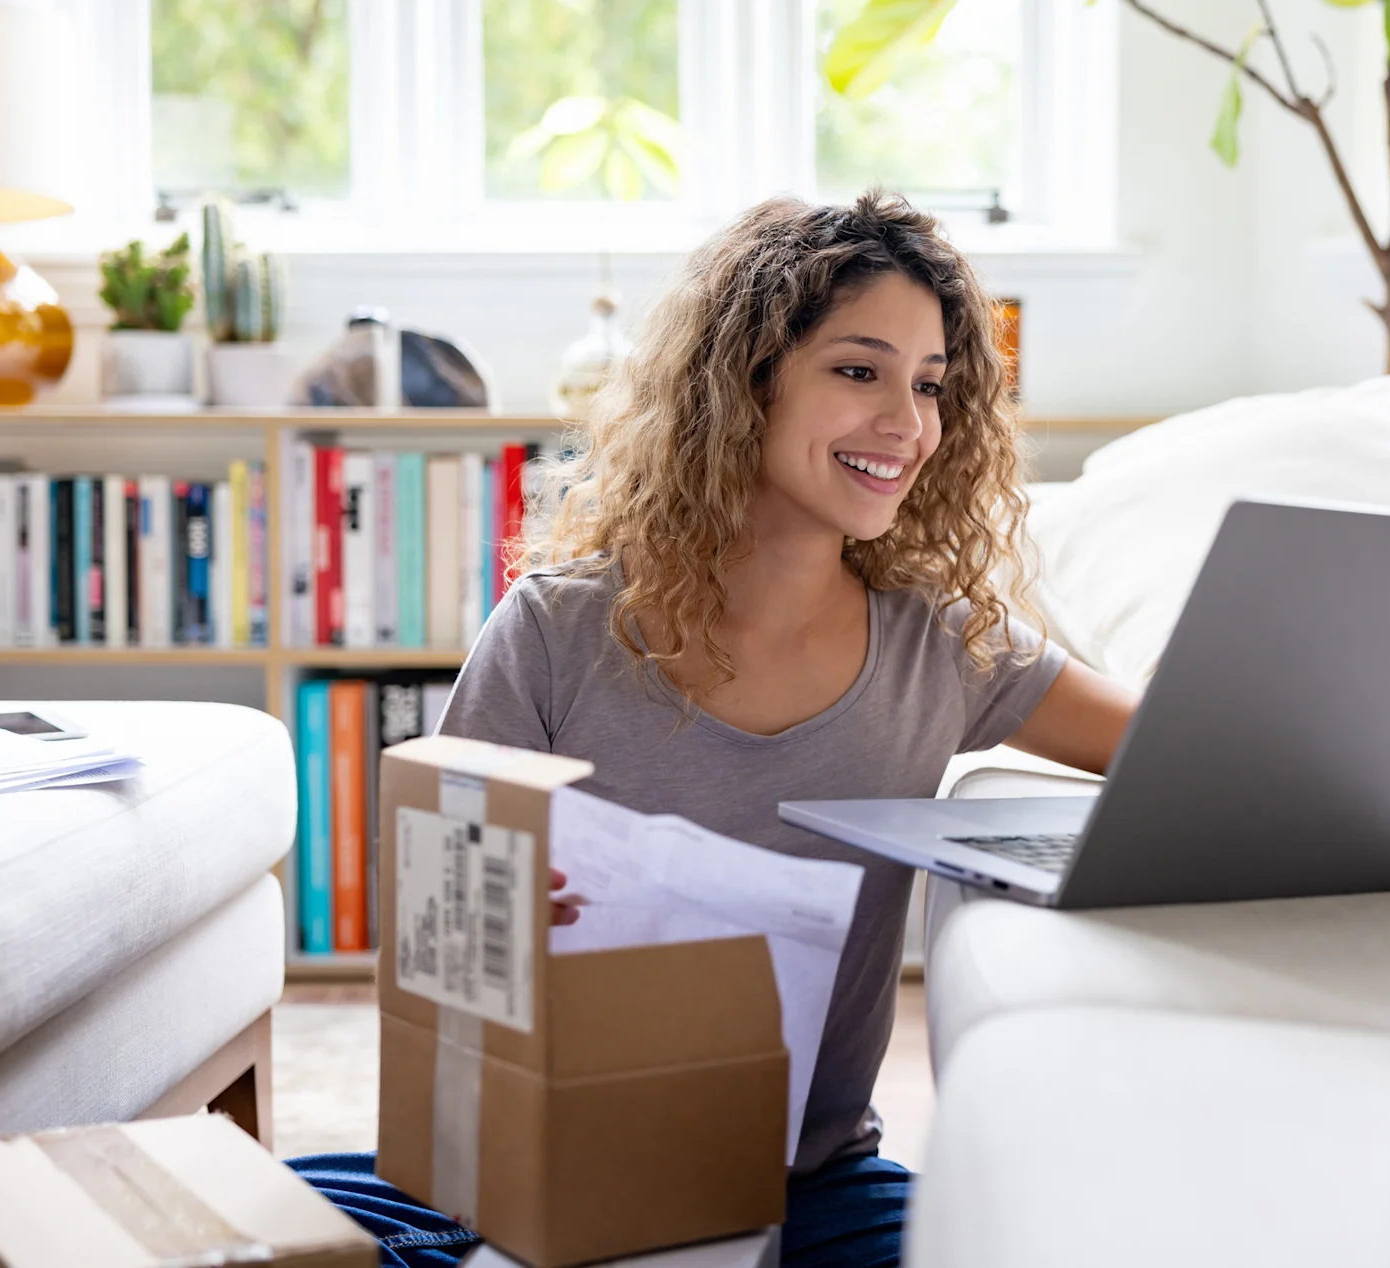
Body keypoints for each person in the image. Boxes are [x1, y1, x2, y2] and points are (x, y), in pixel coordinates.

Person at [291, 191, 1138, 1268]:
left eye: (931, 385)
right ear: (746, 381)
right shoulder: (557, 629)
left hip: (810, 1178)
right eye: (859, 370)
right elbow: (434, 939)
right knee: (221, 1228)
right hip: (550, 1162)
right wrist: (505, 919)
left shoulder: (945, 642)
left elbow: (1167, 744)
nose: (910, 422)